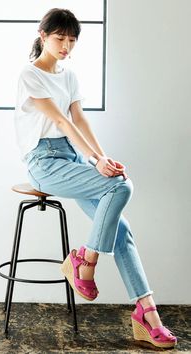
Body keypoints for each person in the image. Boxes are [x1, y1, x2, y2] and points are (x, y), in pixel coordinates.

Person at [14, 8, 177, 349]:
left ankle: (147, 313)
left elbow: (80, 119)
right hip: (43, 162)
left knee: (122, 229)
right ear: (43, 35)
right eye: (60, 39)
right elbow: (61, 122)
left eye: (72, 41)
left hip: (71, 157)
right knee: (120, 186)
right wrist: (94, 160)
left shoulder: (69, 75)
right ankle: (85, 260)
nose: (66, 46)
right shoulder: (30, 75)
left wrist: (103, 158)